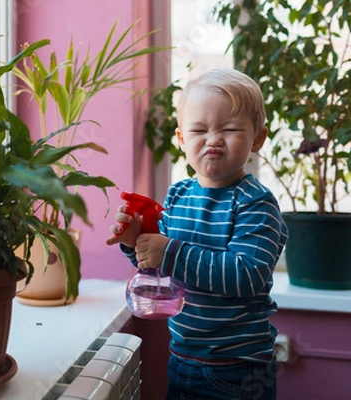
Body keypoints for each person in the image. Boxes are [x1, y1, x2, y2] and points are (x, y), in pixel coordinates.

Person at [107, 68, 289, 400]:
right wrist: (136, 242)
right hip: (181, 357)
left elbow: (247, 275)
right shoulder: (178, 196)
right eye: (199, 130)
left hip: (238, 368)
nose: (213, 138)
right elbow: (159, 267)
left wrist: (170, 252)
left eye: (230, 129)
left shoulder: (256, 203)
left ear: (258, 139)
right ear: (181, 139)